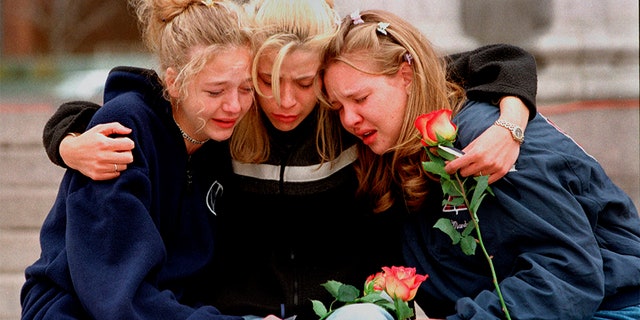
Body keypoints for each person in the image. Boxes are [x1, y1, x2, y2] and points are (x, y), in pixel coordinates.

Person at [39, 0, 540, 318]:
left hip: (348, 307)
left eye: (304, 83)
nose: (284, 101)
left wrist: (510, 123)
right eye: (265, 82)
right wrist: (67, 139)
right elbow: (137, 107)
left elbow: (497, 61)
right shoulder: (225, 117)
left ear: (326, 71)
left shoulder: (343, 108)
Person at [321, 9, 640, 320]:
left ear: (406, 76)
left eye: (360, 99)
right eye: (337, 107)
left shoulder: (482, 141)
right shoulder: (394, 155)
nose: (349, 119)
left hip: (613, 306)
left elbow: (568, 273)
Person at [20, 0, 255, 319]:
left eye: (246, 88)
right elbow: (115, 294)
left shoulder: (219, 140)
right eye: (215, 92)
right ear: (174, 83)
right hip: (75, 306)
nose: (234, 105)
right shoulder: (126, 129)